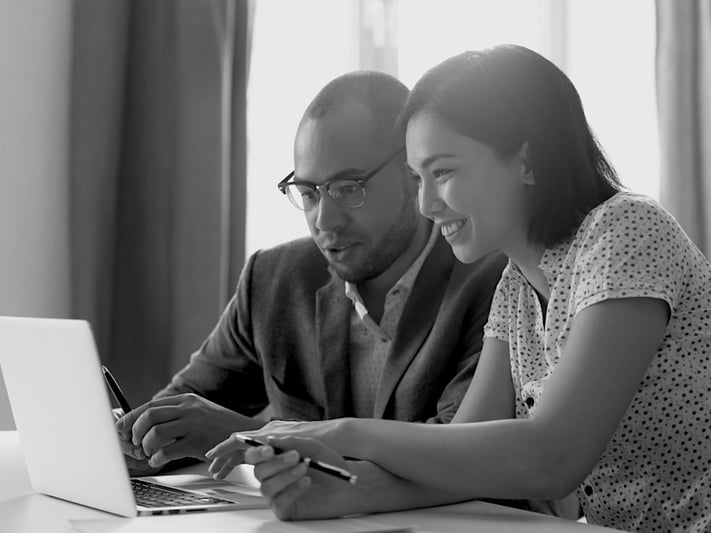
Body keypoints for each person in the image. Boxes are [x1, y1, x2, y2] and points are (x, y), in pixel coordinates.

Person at [208, 45, 711, 532]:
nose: (425, 204)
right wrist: (336, 496)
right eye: (418, 177)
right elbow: (461, 459)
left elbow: (552, 458)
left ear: (526, 160)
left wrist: (342, 432)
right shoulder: (517, 285)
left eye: (444, 172)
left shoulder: (626, 232)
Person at [114, 71, 506, 477]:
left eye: (349, 189)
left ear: (412, 172)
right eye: (309, 193)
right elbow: (182, 416)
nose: (325, 221)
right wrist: (131, 440)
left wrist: (253, 439)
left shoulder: (492, 283)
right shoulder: (274, 279)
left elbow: (459, 461)